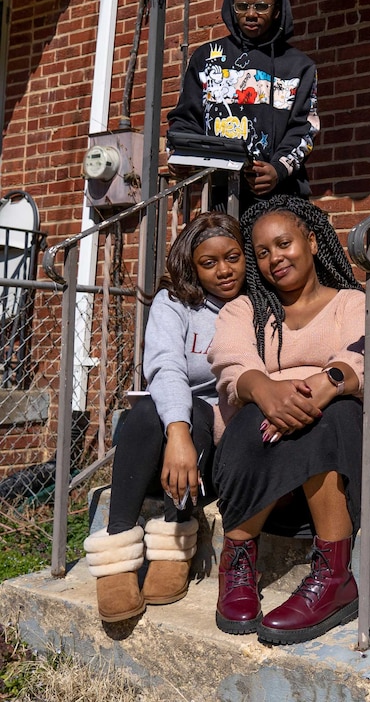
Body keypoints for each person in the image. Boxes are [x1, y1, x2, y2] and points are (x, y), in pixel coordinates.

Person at [208, 195, 370, 644]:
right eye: (262, 252)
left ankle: (334, 578)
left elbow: (368, 361)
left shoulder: (352, 302)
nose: (275, 259)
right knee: (251, 412)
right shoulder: (245, 310)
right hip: (267, 473)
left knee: (334, 413)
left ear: (312, 242)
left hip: (350, 464)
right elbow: (232, 365)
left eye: (284, 244)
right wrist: (266, 392)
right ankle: (237, 561)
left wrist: (313, 392)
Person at [83, 212, 246, 623]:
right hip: (168, 440)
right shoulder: (174, 302)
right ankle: (118, 546)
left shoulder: (253, 305)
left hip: (213, 439)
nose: (224, 270)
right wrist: (177, 433)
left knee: (197, 410)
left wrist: (188, 429)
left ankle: (175, 533)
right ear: (192, 267)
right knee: (142, 414)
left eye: (233, 257)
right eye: (209, 263)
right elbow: (165, 366)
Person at [167, 0, 319, 207]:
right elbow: (186, 117)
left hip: (282, 196)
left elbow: (304, 129)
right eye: (242, 6)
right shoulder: (206, 58)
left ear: (277, 9)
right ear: (231, 6)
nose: (251, 14)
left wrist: (278, 169)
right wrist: (180, 156)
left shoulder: (300, 67)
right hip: (218, 196)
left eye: (261, 6)